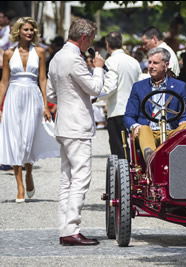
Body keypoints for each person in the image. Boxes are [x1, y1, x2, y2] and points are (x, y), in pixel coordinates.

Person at [47, 18, 105, 246]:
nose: (90, 44)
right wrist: (98, 69)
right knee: (80, 178)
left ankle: (65, 227)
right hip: (77, 126)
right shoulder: (74, 59)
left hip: (63, 123)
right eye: (90, 40)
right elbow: (94, 88)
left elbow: (51, 95)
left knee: (67, 178)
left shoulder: (57, 57)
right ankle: (71, 229)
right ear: (84, 38)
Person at [0, 17, 59, 202]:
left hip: (33, 97)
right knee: (15, 140)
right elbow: (4, 82)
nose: (29, 32)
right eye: (26, 29)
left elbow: (42, 79)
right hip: (13, 97)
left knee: (28, 139)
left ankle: (29, 173)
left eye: (32, 30)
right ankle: (19, 185)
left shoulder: (40, 51)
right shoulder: (8, 53)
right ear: (19, 31)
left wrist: (46, 105)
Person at [124, 47, 186, 163]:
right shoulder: (138, 87)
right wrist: (135, 126)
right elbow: (128, 116)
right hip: (148, 132)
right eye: (149, 62)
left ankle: (172, 160)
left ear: (166, 65)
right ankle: (153, 161)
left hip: (171, 132)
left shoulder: (180, 86)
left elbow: (185, 113)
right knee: (143, 128)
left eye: (155, 63)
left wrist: (184, 120)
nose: (151, 66)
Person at [98, 32, 142, 160]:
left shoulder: (110, 61)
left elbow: (110, 87)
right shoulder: (134, 61)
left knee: (119, 149)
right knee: (134, 147)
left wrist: (95, 97)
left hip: (117, 110)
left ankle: (123, 178)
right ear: (121, 43)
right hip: (134, 110)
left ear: (107, 45)